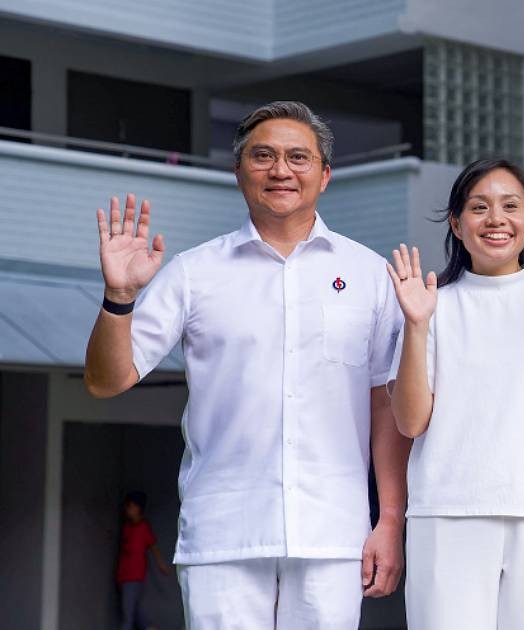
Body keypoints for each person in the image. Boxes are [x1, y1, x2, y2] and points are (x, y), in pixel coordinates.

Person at [83, 101, 409, 629]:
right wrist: (119, 297)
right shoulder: (194, 273)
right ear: (239, 172)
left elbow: (385, 407)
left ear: (324, 176)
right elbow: (105, 379)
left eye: (298, 157)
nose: (281, 170)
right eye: (263, 156)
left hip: (333, 531)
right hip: (223, 531)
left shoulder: (370, 275)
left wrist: (390, 518)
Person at [388, 158, 524, 630]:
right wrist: (416, 326)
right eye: (479, 207)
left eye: (511, 206)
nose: (496, 219)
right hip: (447, 514)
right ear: (456, 221)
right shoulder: (431, 306)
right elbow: (410, 423)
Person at [116, 491, 170, 630]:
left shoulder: (144, 527)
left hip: (135, 576)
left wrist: (162, 565)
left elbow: (154, 548)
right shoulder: (127, 527)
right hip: (124, 575)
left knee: (127, 614)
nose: (127, 509)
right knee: (134, 610)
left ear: (137, 508)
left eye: (130, 506)